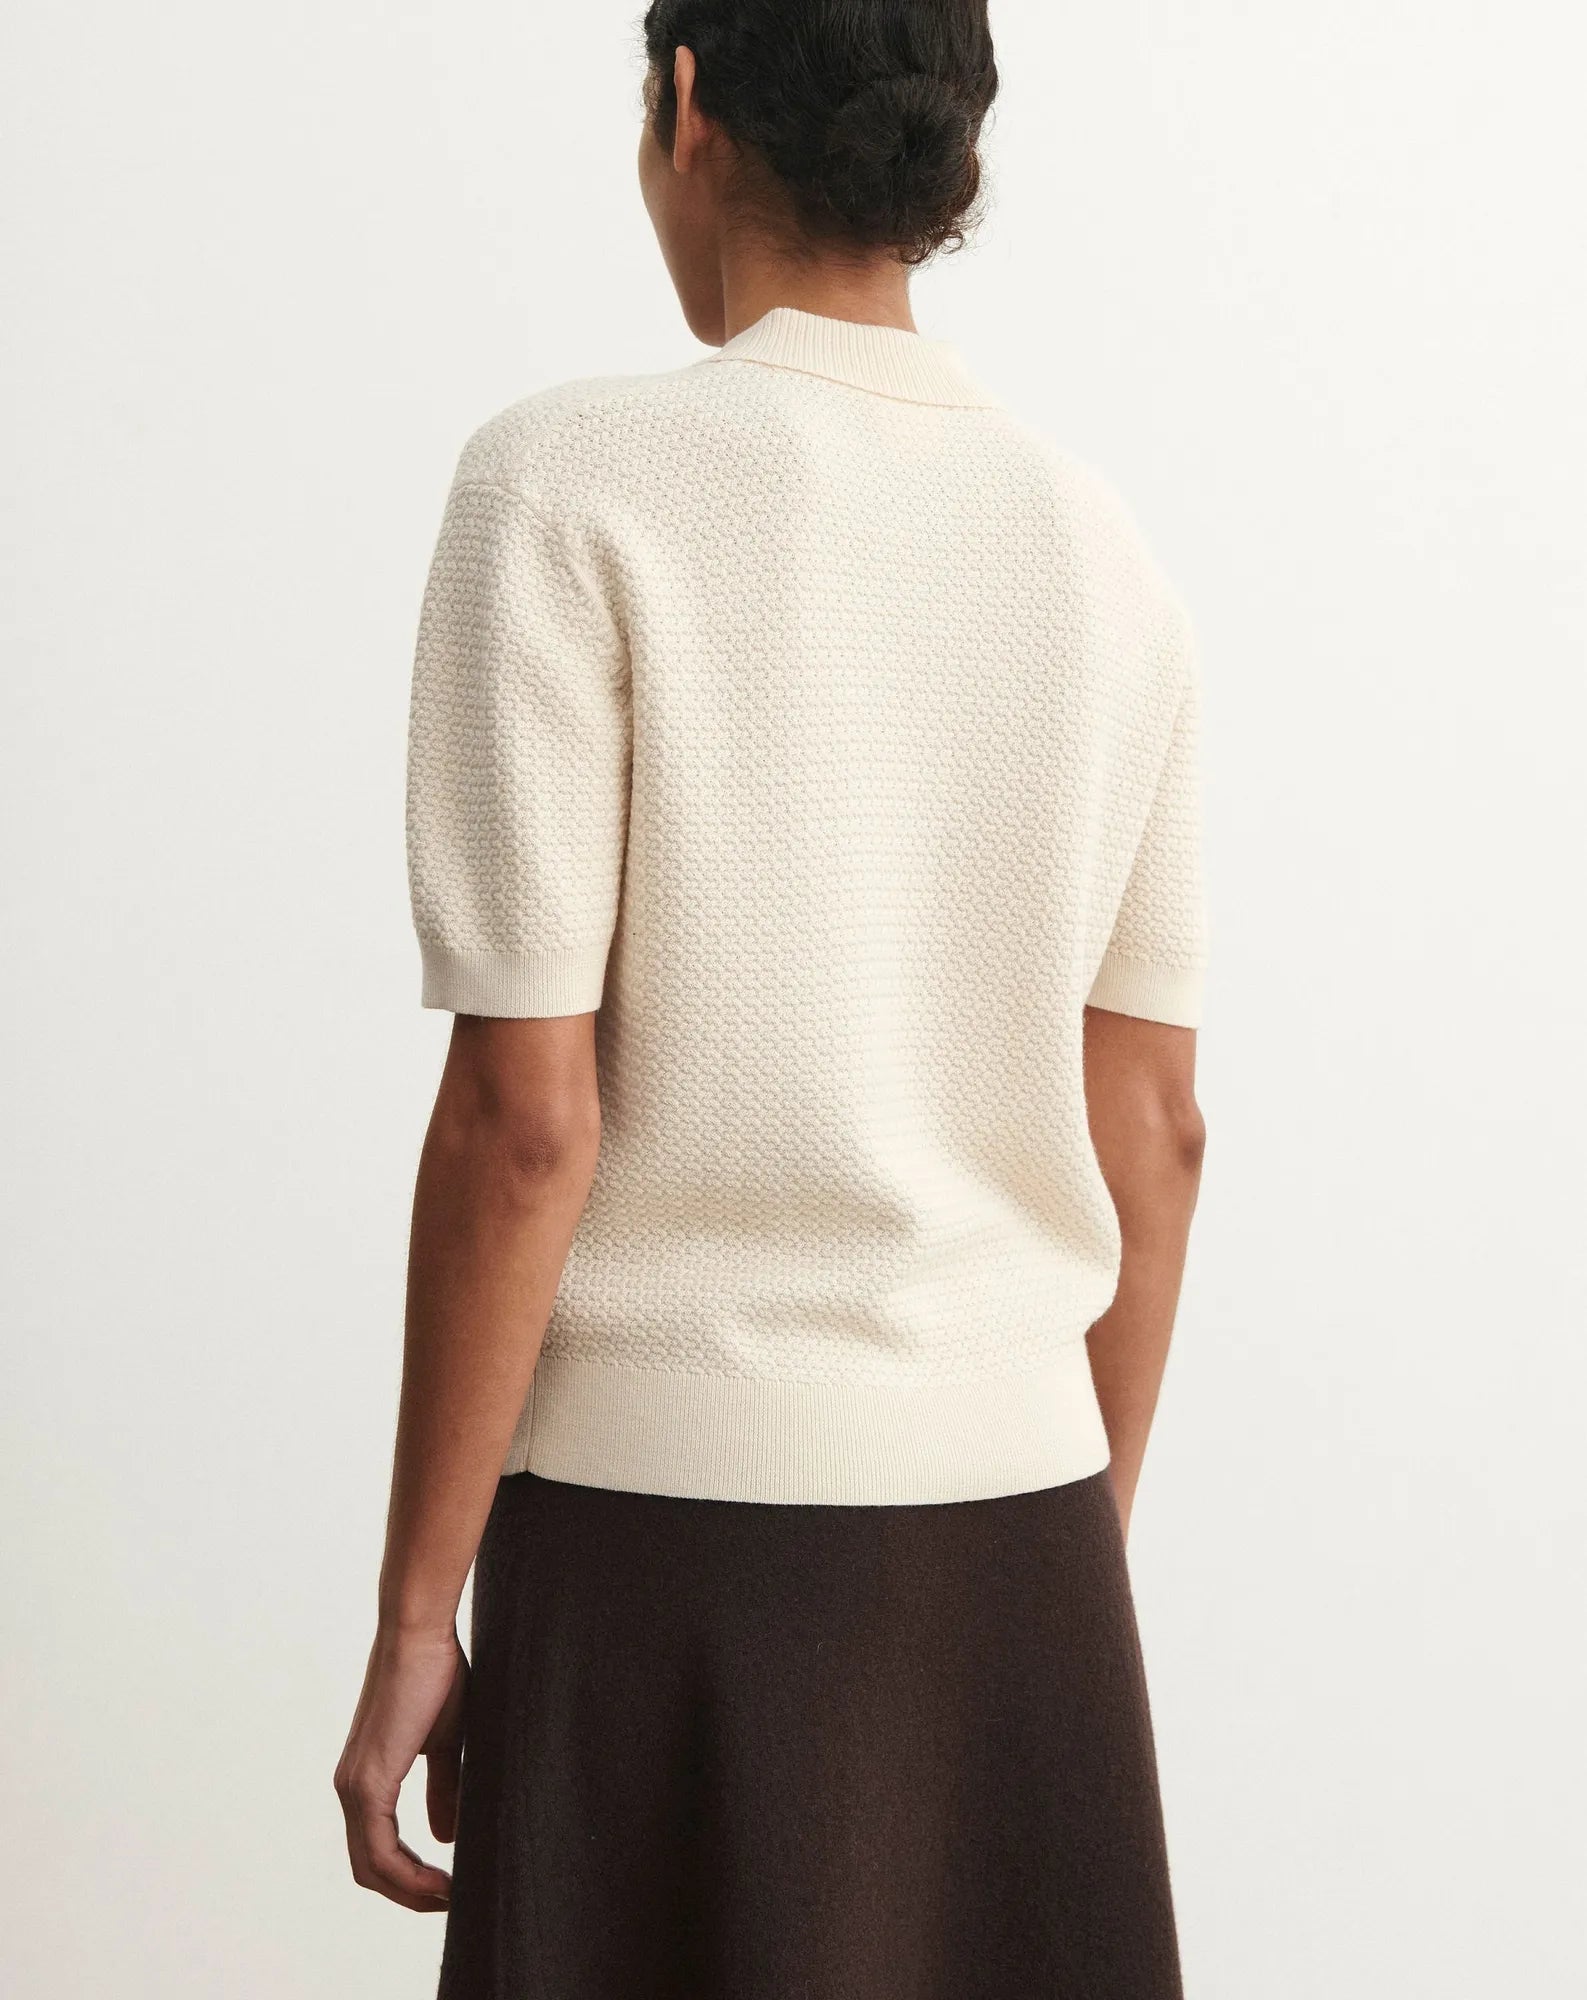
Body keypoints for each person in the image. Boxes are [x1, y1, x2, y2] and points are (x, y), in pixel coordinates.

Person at [335, 2, 1207, 1993]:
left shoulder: (565, 489)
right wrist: (1054, 1541)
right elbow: (1154, 1125)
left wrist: (411, 1622)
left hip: (660, 1547)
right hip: (1017, 1548)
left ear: (686, 106)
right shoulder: (1100, 549)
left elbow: (524, 1123)